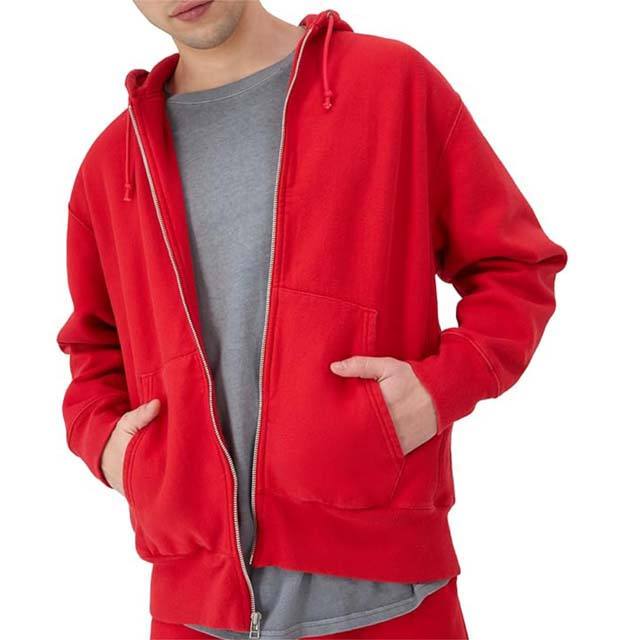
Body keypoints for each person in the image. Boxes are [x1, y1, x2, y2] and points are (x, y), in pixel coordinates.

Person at [56, 2, 568, 639]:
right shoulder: (112, 164)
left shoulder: (390, 85)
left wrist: (442, 388)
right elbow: (92, 350)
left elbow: (516, 266)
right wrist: (114, 451)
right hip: (195, 612)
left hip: (392, 598)